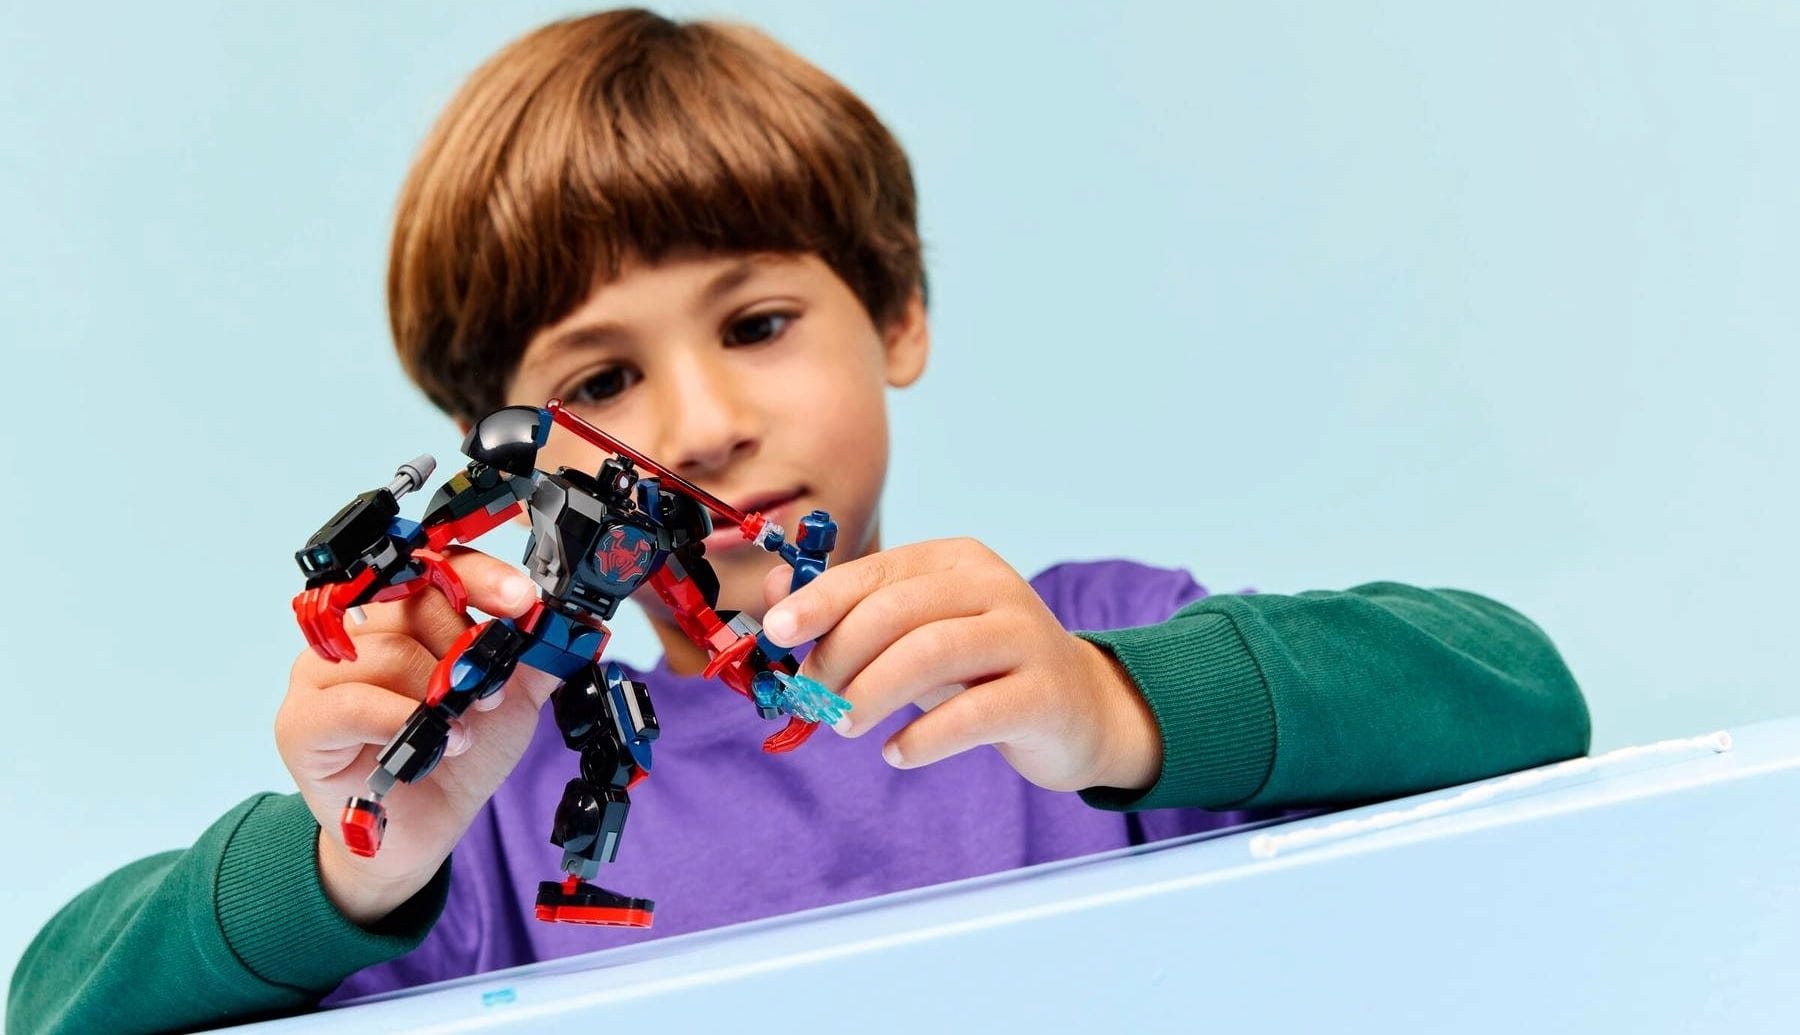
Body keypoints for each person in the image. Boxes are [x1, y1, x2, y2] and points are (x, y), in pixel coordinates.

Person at [7, 10, 1589, 1033]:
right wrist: (352, 862)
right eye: (603, 380)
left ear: (896, 313)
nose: (702, 424)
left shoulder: (1096, 653)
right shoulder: (483, 814)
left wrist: (1116, 708)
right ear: (516, 466)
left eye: (757, 323)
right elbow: (55, 1002)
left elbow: (1523, 697)